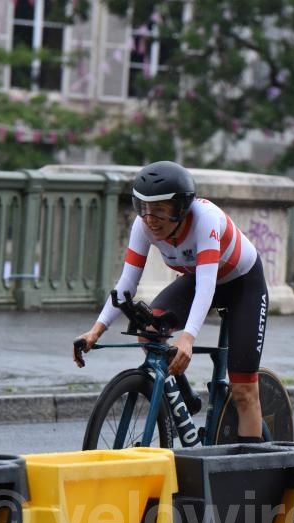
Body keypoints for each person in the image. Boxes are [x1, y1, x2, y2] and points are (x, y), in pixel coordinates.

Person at [73, 160, 269, 443]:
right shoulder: (143, 227)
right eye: (144, 208)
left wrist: (188, 338)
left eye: (160, 210)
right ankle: (183, 397)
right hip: (199, 279)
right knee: (149, 332)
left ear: (181, 210)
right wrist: (96, 331)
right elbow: (127, 283)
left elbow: (206, 285)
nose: (150, 219)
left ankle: (254, 472)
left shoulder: (205, 220)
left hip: (242, 285)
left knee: (243, 390)